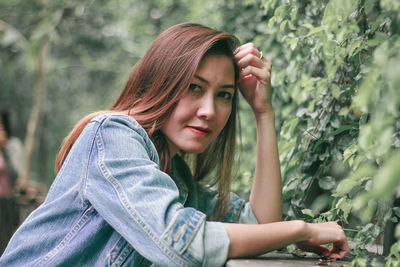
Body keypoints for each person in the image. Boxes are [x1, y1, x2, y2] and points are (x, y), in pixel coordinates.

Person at [0, 23, 349, 266]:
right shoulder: (111, 135)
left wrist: (263, 113)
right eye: (194, 88)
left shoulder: (178, 181)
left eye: (225, 95)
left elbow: (259, 225)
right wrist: (301, 229)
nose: (210, 111)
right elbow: (180, 243)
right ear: (161, 83)